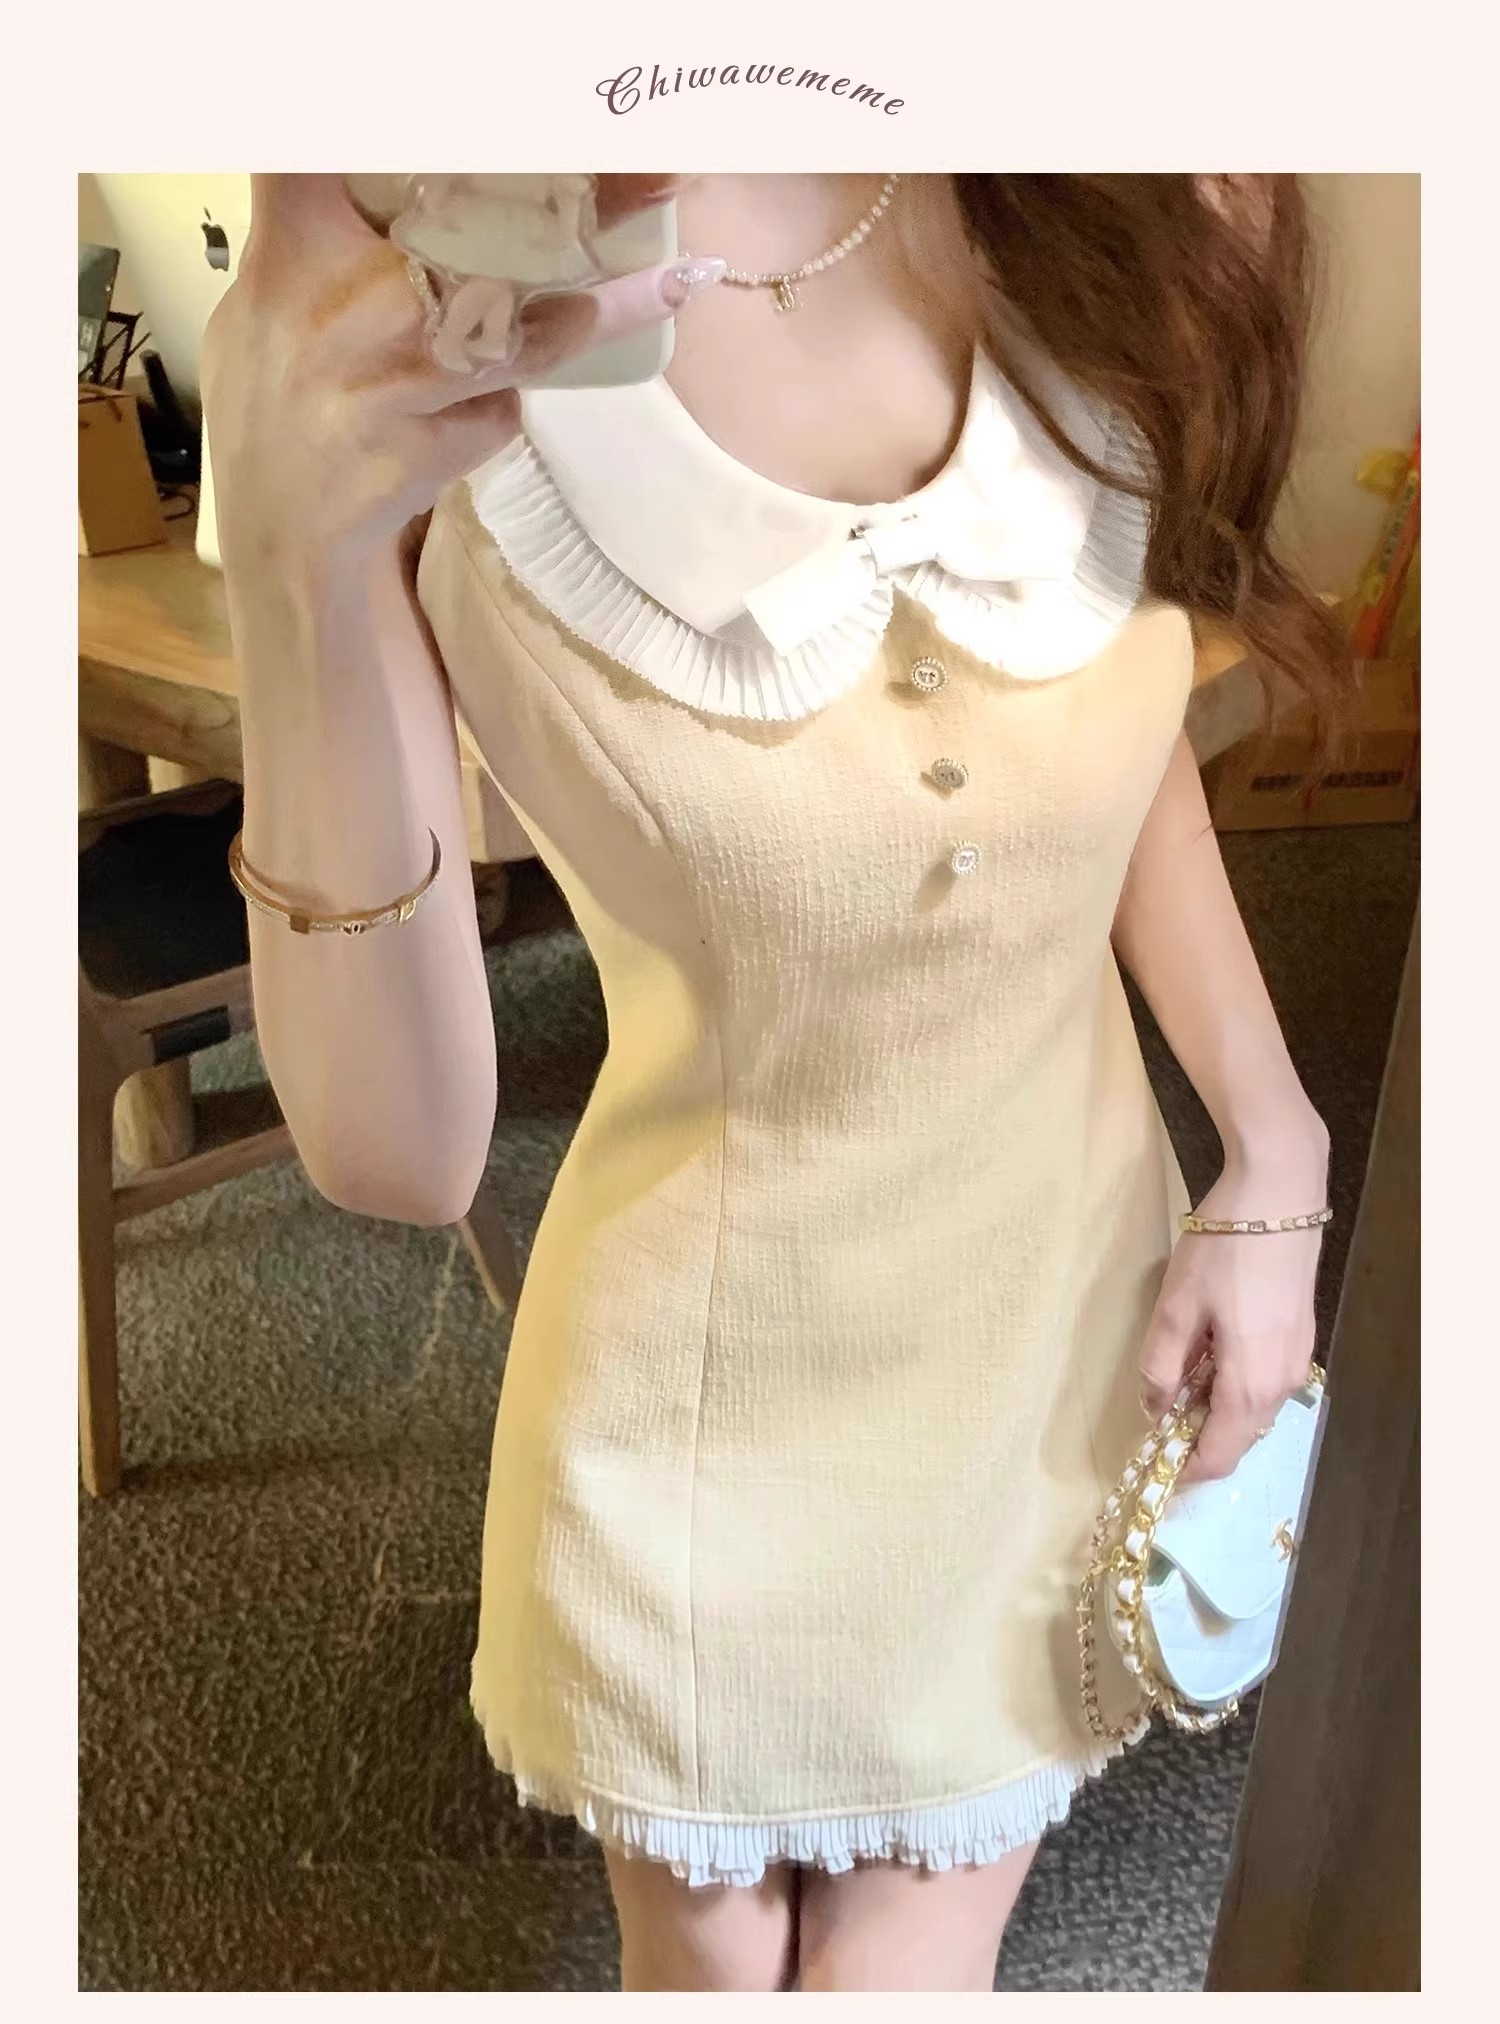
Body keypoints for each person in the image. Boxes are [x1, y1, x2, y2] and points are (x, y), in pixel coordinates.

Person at [202, 172, 1344, 1994]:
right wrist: (291, 563)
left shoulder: (1123, 181)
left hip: (1056, 1336)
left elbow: (1106, 725)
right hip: (704, 1402)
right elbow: (399, 1157)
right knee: (716, 1967)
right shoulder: (414, 272)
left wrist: (1276, 1153)